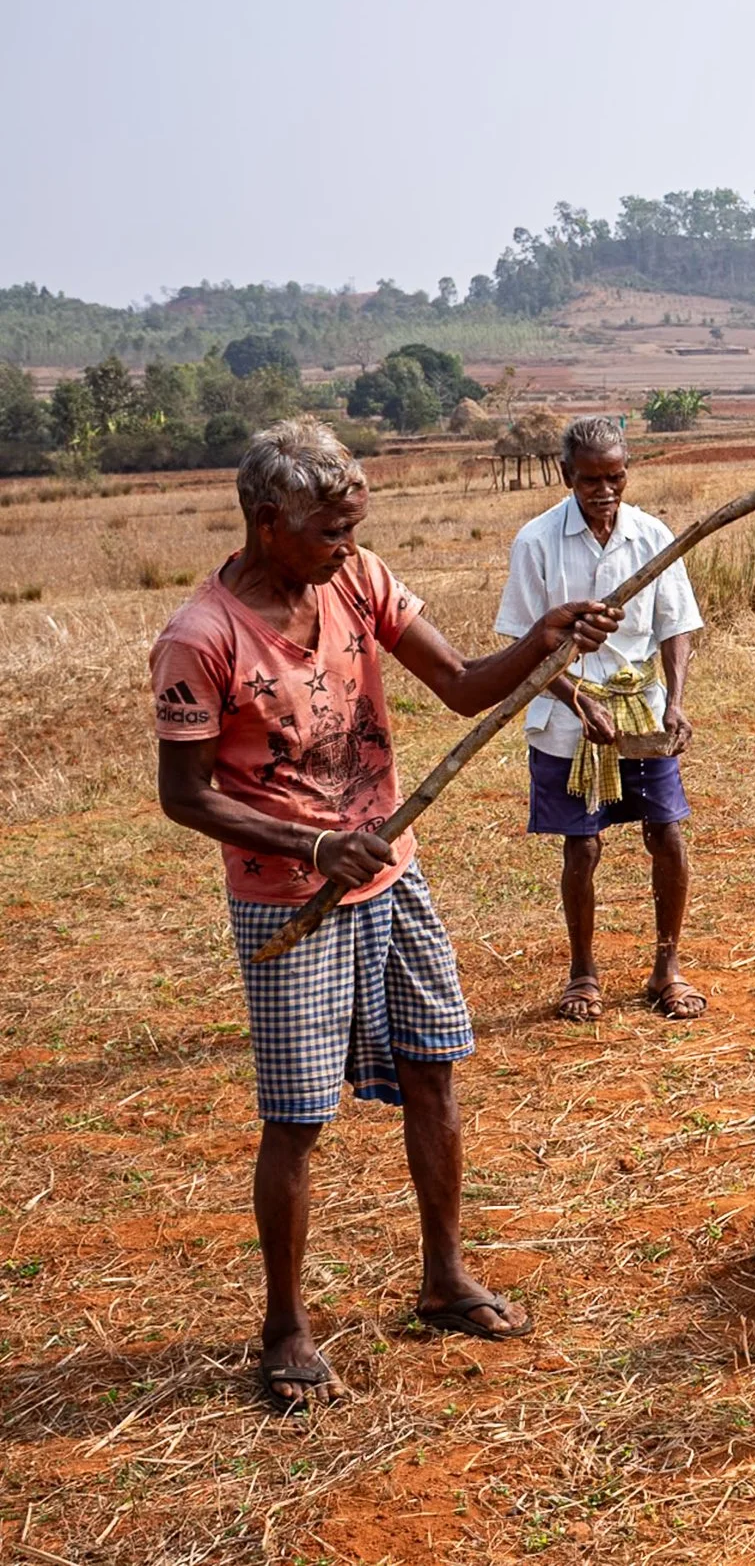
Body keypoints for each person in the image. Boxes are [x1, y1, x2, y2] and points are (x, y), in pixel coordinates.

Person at [150, 417, 619, 1411]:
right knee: (297, 1116)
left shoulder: (359, 583)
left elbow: (457, 686)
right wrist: (312, 844)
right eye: (330, 529)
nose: (349, 545)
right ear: (268, 522)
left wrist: (541, 646)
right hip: (294, 899)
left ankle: (443, 1278)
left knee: (435, 1066)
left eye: (356, 524)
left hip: (391, 876)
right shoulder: (202, 638)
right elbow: (185, 794)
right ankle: (285, 1327)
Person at [494, 416, 707, 1022]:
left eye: (615, 477)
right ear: (567, 477)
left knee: (665, 834)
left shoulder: (652, 536)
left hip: (642, 707)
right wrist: (572, 697)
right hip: (569, 714)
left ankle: (667, 966)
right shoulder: (536, 542)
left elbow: (676, 627)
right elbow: (523, 642)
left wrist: (676, 699)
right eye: (591, 480)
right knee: (581, 846)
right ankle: (583, 972)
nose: (606, 491)